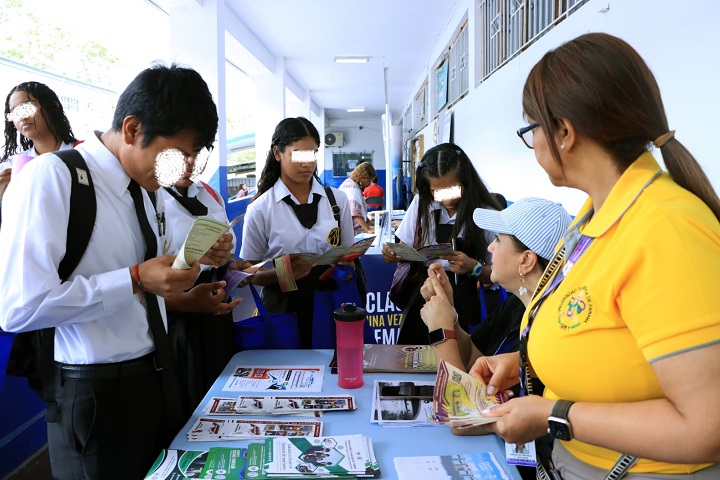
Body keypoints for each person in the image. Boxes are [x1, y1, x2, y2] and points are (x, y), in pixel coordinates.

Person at [472, 33, 720, 479]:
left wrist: (553, 412)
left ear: (564, 132)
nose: (534, 147)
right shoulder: (592, 218)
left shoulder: (665, 228)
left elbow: (705, 425)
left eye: (532, 130)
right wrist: (529, 362)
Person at [0, 63, 231, 480]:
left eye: (194, 157)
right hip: (95, 397)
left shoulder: (146, 191)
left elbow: (148, 282)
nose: (182, 170)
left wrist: (188, 271)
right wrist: (135, 278)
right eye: (176, 155)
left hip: (159, 380)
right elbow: (20, 307)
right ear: (131, 129)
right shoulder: (54, 178)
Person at [239, 117, 359, 349]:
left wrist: (349, 262)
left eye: (312, 154)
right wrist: (284, 273)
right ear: (277, 153)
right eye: (298, 155)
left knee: (332, 370)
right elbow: (248, 273)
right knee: (289, 374)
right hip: (283, 308)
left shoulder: (337, 200)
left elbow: (348, 252)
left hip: (331, 303)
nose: (307, 164)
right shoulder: (260, 208)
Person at [419, 197, 571, 372]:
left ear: (526, 260)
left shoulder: (549, 329)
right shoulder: (517, 305)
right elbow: (471, 357)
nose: (491, 247)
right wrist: (448, 311)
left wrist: (441, 330)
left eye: (498, 239)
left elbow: (459, 397)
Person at [382, 143, 501, 345]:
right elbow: (404, 245)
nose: (447, 199)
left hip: (464, 299)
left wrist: (473, 267)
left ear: (466, 181)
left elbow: (499, 273)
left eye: (453, 189)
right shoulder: (421, 203)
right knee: (413, 356)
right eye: (437, 192)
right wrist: (392, 253)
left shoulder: (487, 213)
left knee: (458, 357)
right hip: (423, 295)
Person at [160, 171, 251, 417]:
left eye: (199, 150)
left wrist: (230, 263)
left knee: (220, 387)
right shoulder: (150, 196)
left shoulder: (210, 195)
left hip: (215, 304)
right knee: (186, 394)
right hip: (175, 308)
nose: (191, 161)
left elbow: (219, 257)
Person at [1, 81, 80, 214]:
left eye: (27, 107)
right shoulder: (10, 167)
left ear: (54, 106)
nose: (22, 117)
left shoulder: (85, 153)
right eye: (14, 113)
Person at [339, 161, 376, 234]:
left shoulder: (349, 183)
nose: (368, 184)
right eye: (368, 181)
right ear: (361, 177)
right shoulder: (353, 189)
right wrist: (368, 229)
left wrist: (368, 222)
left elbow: (359, 211)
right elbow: (355, 212)